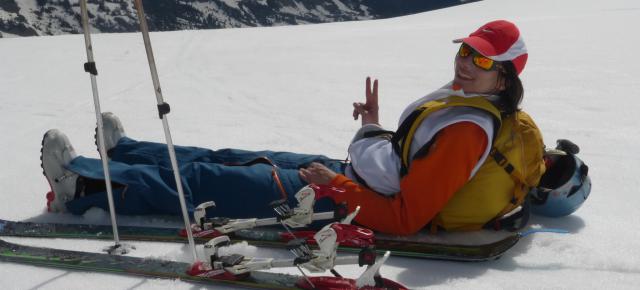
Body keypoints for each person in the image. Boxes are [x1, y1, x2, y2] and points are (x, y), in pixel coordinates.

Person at [41, 20, 590, 236]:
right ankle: (127, 151)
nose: (467, 62)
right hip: (356, 175)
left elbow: (403, 218)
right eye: (468, 50)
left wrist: (334, 185)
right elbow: (409, 160)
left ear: (507, 74)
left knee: (215, 183)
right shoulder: (484, 108)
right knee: (236, 158)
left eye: (483, 59)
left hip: (345, 199)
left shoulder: (473, 131)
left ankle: (86, 187)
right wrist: (374, 128)